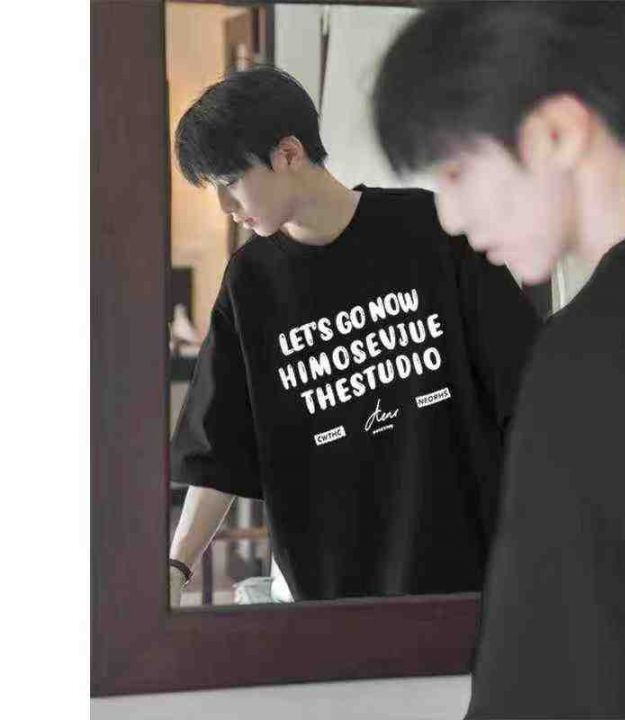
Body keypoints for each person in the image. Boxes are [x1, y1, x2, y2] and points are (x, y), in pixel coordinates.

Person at [168, 65, 539, 606]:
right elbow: (217, 448)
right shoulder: (250, 284)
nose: (226, 207)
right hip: (331, 596)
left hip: (469, 577)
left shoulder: (432, 230)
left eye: (230, 182)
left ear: (288, 154)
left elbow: (527, 392)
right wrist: (176, 567)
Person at [373, 1, 625, 717]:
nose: (449, 217)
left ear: (556, 133)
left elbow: (546, 673)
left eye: (456, 170)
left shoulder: (589, 356)